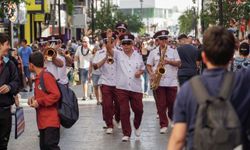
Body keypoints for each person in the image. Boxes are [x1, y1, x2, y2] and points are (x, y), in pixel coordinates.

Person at [168, 26, 250, 150]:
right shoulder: (244, 81)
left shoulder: (187, 89)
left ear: (204, 57)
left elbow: (178, 139)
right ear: (231, 56)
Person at [106, 32, 145, 142]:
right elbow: (109, 49)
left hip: (136, 87)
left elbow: (142, 68)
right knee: (124, 111)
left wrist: (140, 72)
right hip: (122, 87)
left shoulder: (138, 56)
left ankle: (136, 124)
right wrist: (109, 38)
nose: (126, 46)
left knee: (139, 110)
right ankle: (126, 133)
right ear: (121, 44)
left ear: (132, 44)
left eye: (128, 43)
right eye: (124, 44)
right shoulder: (118, 54)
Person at [147, 30, 181, 134]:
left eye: (166, 39)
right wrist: (152, 74)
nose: (164, 41)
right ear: (158, 40)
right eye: (161, 39)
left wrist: (168, 61)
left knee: (172, 103)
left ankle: (172, 117)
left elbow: (179, 63)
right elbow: (148, 65)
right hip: (159, 81)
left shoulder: (173, 50)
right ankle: (163, 124)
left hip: (172, 81)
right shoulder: (153, 52)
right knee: (161, 105)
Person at [28, 51, 61, 150]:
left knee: (50, 147)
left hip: (50, 121)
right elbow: (44, 94)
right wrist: (33, 99)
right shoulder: (38, 77)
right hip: (43, 122)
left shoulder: (46, 76)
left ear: (32, 65)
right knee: (44, 147)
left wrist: (39, 102)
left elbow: (56, 95)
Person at [92, 31, 121, 134]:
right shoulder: (100, 53)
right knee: (107, 105)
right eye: (109, 41)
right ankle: (109, 124)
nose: (111, 43)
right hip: (106, 82)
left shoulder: (120, 51)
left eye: (112, 41)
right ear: (105, 42)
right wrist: (105, 57)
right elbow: (95, 66)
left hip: (118, 83)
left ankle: (117, 119)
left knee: (119, 105)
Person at [0, 33, 20, 150]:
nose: (9, 47)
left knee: (3, 144)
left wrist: (9, 87)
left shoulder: (10, 64)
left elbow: (17, 83)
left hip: (5, 111)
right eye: (7, 44)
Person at [74, 36, 92, 100]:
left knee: (90, 81)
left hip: (90, 67)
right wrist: (76, 66)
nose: (84, 43)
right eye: (83, 42)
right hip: (82, 67)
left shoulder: (91, 47)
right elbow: (76, 57)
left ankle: (91, 93)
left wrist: (89, 48)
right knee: (84, 81)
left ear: (88, 42)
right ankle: (85, 95)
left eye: (86, 42)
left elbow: (95, 55)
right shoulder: (79, 48)